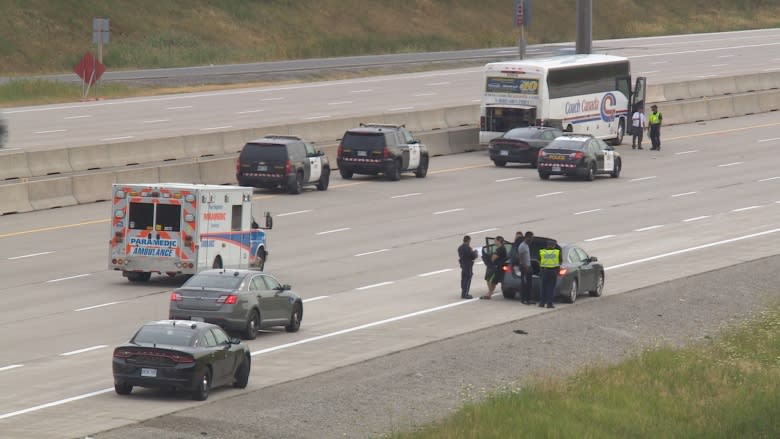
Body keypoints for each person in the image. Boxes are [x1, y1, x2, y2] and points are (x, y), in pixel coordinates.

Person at [481, 235, 506, 300]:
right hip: (499, 267)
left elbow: (493, 258)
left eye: (495, 240)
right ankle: (490, 293)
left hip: (496, 268)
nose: (494, 242)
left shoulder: (500, 249)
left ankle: (490, 293)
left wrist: (488, 259)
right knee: (493, 281)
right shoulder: (503, 248)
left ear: (499, 241)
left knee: (489, 279)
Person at [538, 239, 561, 309]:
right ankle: (549, 304)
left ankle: (542, 303)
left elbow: (539, 261)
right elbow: (560, 261)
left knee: (543, 287)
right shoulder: (557, 252)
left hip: (544, 271)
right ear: (554, 246)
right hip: (553, 271)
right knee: (551, 288)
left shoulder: (542, 252)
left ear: (547, 245)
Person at [457, 235, 478, 299]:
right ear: (468, 240)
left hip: (463, 265)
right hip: (468, 265)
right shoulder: (468, 248)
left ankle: (463, 293)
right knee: (467, 279)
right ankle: (465, 294)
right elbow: (473, 256)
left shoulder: (460, 247)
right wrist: (475, 253)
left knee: (463, 280)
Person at [516, 231, 534, 305]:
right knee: (525, 284)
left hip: (528, 266)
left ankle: (528, 299)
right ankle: (524, 299)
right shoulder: (522, 246)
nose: (532, 239)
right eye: (531, 237)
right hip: (524, 267)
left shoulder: (527, 245)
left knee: (529, 284)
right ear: (527, 237)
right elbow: (521, 257)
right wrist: (525, 266)